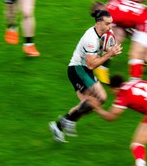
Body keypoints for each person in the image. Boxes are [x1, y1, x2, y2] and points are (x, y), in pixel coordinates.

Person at [49, 10, 123, 143]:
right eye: (107, 24)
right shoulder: (91, 39)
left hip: (83, 70)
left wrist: (109, 50)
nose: (110, 27)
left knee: (88, 105)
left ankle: (59, 126)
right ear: (99, 23)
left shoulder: (103, 33)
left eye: (111, 24)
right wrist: (108, 55)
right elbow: (91, 65)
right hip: (78, 70)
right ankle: (68, 121)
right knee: (100, 97)